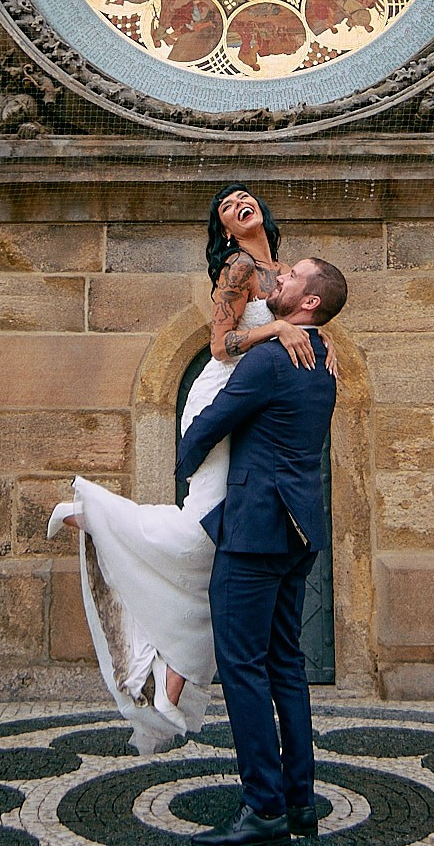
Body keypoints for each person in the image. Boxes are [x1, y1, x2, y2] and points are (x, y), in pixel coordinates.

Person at [48, 188, 325, 753]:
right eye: (227, 206)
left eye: (246, 197)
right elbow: (223, 346)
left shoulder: (285, 271)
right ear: (224, 230)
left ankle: (175, 677)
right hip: (225, 396)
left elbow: (311, 316)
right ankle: (99, 516)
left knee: (213, 548)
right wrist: (276, 331)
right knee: (206, 527)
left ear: (263, 213)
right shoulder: (238, 265)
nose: (239, 203)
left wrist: (317, 345)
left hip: (261, 400)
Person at [174, 252, 348, 845]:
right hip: (297, 532)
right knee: (287, 668)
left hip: (252, 532)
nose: (279, 278)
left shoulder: (274, 358)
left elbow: (209, 424)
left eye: (292, 276)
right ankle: (301, 804)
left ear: (309, 303)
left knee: (243, 668)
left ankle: (264, 808)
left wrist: (188, 471)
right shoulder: (324, 360)